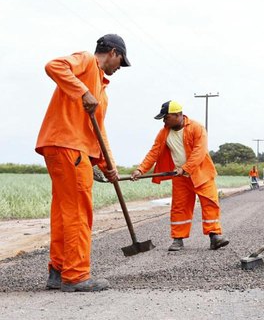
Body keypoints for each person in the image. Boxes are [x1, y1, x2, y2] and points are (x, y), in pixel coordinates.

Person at [35, 34, 130, 292]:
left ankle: (58, 271)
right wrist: (83, 91)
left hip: (64, 147)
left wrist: (108, 165)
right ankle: (76, 275)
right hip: (68, 146)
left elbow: (98, 130)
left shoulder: (101, 89)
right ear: (112, 52)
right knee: (78, 212)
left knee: (64, 212)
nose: (120, 67)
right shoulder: (87, 62)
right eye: (121, 61)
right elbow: (53, 65)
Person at [131, 100, 229, 252]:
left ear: (177, 115)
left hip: (202, 174)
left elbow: (199, 151)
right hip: (180, 177)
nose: (164, 120)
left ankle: (214, 236)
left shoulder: (197, 128)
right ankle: (178, 239)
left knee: (209, 203)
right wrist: (141, 170)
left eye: (166, 117)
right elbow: (154, 152)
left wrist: (186, 168)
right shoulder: (164, 132)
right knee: (179, 207)